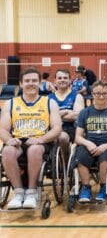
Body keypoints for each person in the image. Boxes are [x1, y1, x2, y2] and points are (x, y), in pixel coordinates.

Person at [0, 67, 62, 209]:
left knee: (34, 150)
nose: (31, 83)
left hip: (41, 140)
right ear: (21, 84)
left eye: (34, 80)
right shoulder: (11, 103)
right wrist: (9, 139)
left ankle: (32, 192)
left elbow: (57, 128)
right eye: (27, 81)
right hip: (18, 140)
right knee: (8, 151)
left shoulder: (49, 102)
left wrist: (41, 139)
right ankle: (19, 192)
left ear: (40, 83)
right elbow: (2, 129)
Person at [74, 80, 107, 202]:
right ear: (92, 94)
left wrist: (105, 146)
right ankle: (86, 187)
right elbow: (77, 137)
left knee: (105, 158)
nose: (101, 96)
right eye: (98, 93)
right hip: (89, 145)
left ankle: (103, 187)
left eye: (104, 93)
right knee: (80, 156)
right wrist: (87, 143)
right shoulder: (84, 112)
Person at [48, 69, 85, 159]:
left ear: (69, 80)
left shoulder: (77, 96)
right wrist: (65, 111)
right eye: (59, 78)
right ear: (55, 81)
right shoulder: (49, 98)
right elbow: (45, 116)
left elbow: (77, 116)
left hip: (70, 129)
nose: (62, 80)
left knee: (62, 137)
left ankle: (66, 160)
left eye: (65, 78)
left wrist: (55, 115)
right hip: (51, 128)